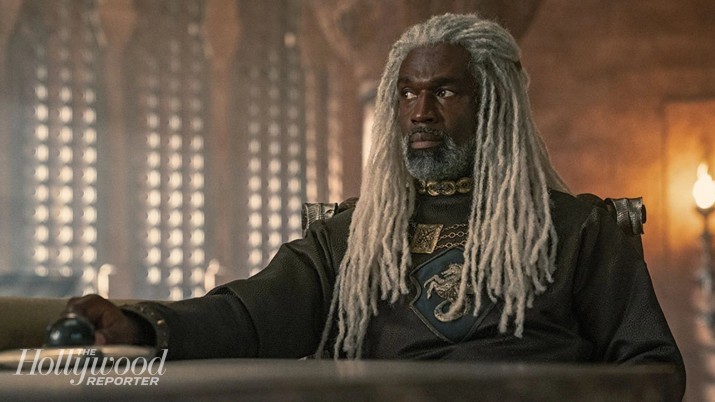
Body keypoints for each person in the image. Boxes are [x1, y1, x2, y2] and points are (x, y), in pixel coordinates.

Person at [68, 12, 685, 396]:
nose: (420, 113)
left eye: (445, 92)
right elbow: (248, 314)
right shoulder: (352, 237)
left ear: (494, 106)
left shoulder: (578, 229)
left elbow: (654, 369)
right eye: (407, 94)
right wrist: (142, 326)